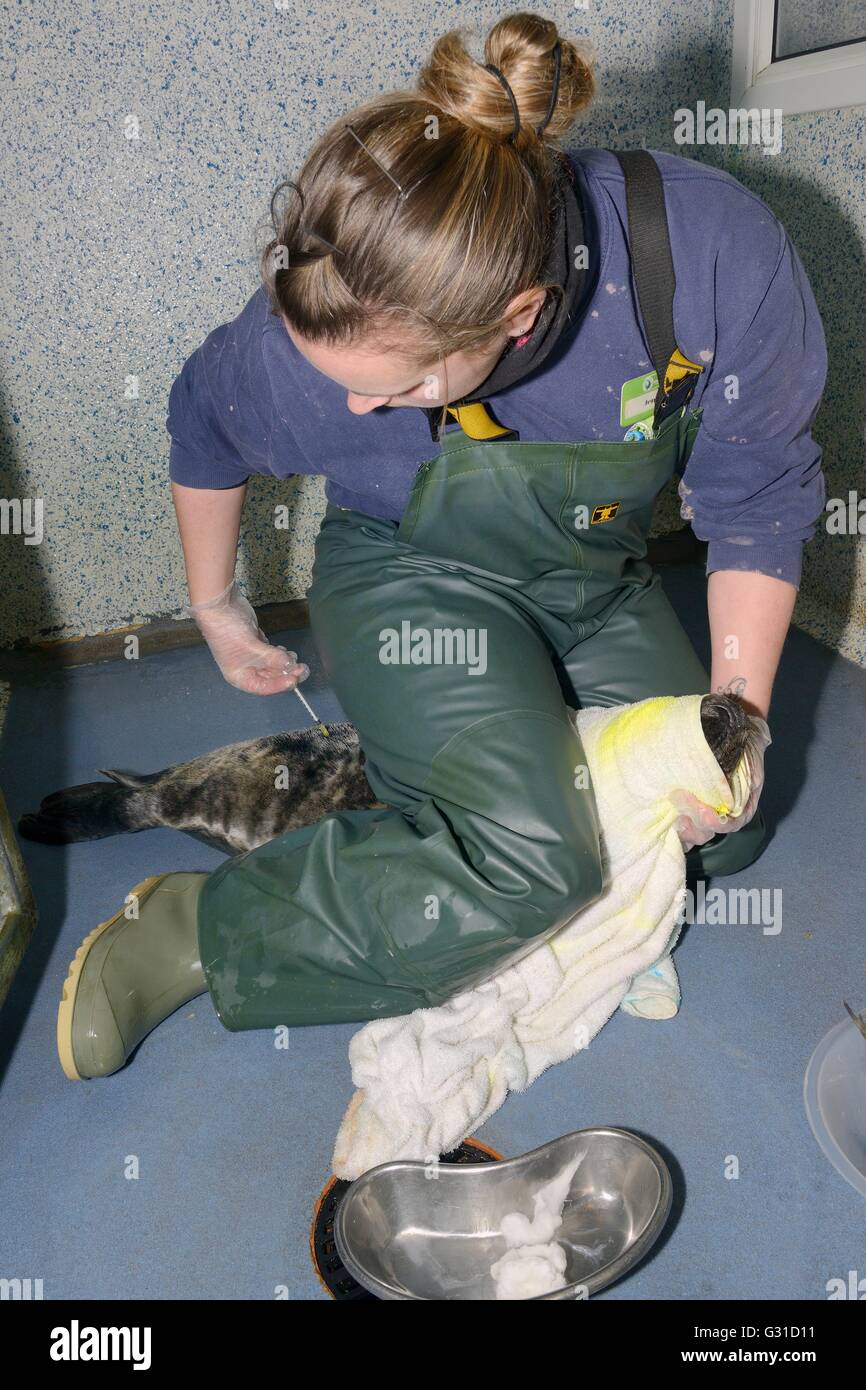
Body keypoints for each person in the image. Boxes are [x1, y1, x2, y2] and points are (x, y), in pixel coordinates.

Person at [56, 13, 826, 1081]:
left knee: (725, 826)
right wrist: (218, 607)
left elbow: (753, 503)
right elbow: (201, 421)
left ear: (517, 316)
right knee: (532, 862)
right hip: (409, 572)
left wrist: (732, 724)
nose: (363, 408)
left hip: (592, 583)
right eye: (341, 377)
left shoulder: (707, 255)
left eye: (405, 382)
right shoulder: (297, 347)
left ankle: (429, 790)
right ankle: (199, 929)